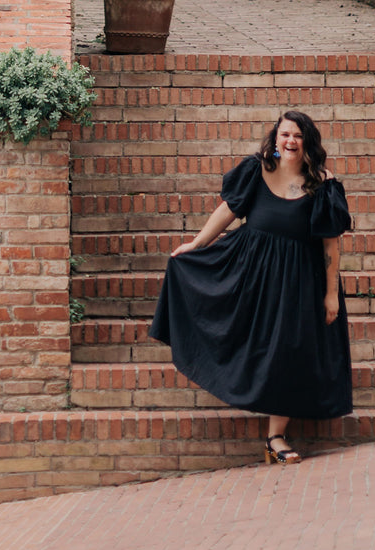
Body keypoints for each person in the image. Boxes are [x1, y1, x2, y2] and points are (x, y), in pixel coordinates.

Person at [149, 108, 352, 464]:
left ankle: (275, 436)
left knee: (289, 350)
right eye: (285, 134)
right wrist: (197, 245)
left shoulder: (323, 182)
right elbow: (227, 211)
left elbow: (331, 243)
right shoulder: (257, 170)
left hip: (300, 279)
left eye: (298, 136)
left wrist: (331, 293)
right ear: (276, 138)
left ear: (308, 142)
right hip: (252, 270)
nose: (290, 141)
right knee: (253, 340)